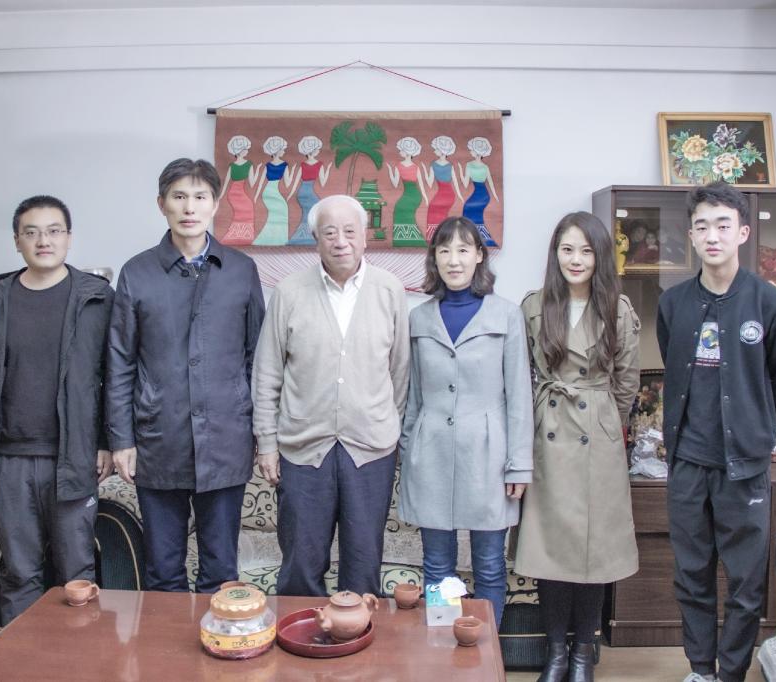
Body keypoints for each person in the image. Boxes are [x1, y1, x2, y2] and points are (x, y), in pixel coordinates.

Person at [659, 182, 776, 682]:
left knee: (744, 582)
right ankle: (701, 670)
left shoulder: (774, 306)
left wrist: (753, 424)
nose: (712, 236)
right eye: (702, 226)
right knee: (691, 576)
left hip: (745, 466)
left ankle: (731, 673)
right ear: (691, 236)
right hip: (688, 462)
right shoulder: (673, 303)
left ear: (742, 232)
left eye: (723, 225)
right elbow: (674, 369)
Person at [106, 158, 265, 593]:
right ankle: (166, 643)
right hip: (159, 437)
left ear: (215, 203)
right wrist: (121, 440)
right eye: (179, 197)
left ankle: (218, 637)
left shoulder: (241, 270)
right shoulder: (137, 272)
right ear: (162, 204)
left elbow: (257, 357)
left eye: (199, 196)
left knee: (221, 572)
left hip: (225, 438)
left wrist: (257, 430)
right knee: (163, 573)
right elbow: (119, 362)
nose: (189, 207)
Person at [0, 195, 115, 624]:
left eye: (53, 231)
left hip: (73, 456)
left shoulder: (96, 298)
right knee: (19, 573)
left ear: (68, 238)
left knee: (77, 575)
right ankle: (21, 658)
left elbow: (114, 375)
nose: (42, 240)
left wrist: (107, 441)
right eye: (31, 232)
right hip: (7, 458)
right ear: (17, 241)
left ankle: (78, 657)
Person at [252, 194, 410, 597]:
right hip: (303, 449)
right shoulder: (288, 292)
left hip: (370, 450)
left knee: (363, 565)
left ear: (365, 237)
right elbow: (267, 373)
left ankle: (359, 634)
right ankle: (300, 633)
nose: (341, 241)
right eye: (330, 233)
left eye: (350, 231)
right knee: (300, 565)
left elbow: (400, 371)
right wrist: (267, 443)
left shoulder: (389, 290)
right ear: (315, 239)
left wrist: (385, 427)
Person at [515, 211, 641, 682]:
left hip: (598, 437)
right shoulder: (534, 306)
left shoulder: (618, 309)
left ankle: (583, 652)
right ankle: (555, 653)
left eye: (586, 251)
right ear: (555, 254)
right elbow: (520, 375)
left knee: (595, 551)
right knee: (551, 548)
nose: (576, 259)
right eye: (567, 249)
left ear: (600, 256)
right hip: (548, 433)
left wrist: (604, 423)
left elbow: (627, 384)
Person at [398, 216, 532, 629]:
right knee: (437, 566)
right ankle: (442, 649)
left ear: (478, 256)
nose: (453, 260)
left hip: (489, 457)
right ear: (434, 259)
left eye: (462, 250)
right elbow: (413, 396)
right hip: (431, 454)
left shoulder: (506, 315)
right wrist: (407, 452)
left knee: (489, 566)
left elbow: (519, 396)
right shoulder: (419, 318)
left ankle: (484, 653)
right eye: (444, 250)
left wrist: (519, 465)